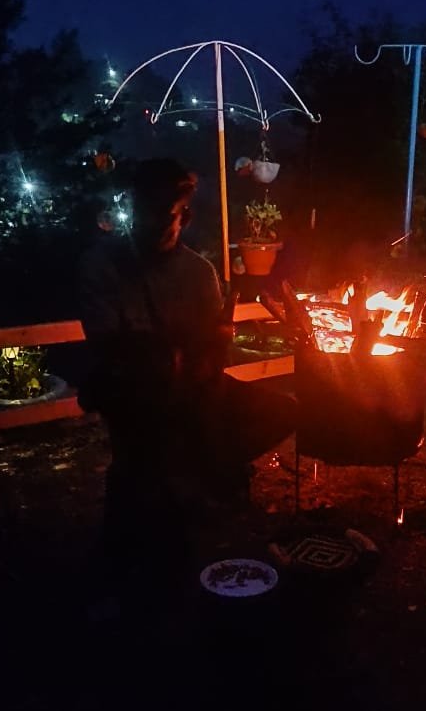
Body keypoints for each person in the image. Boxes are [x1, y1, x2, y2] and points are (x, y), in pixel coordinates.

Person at [77, 157, 294, 570]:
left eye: (168, 212)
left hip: (194, 388)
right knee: (146, 468)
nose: (156, 222)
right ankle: (141, 547)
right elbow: (109, 343)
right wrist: (176, 349)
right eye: (148, 209)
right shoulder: (102, 264)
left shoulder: (198, 272)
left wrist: (213, 345)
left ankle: (199, 489)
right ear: (133, 206)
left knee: (281, 411)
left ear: (185, 216)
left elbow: (211, 354)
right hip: (131, 394)